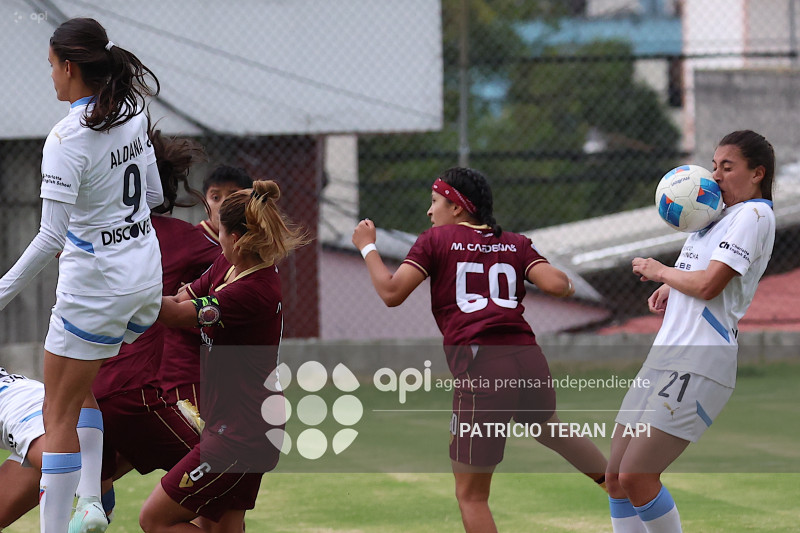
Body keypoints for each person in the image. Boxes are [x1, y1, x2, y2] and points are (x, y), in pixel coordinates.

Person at [351, 167, 608, 533]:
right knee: (546, 425)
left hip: (484, 365)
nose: (430, 211)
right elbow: (555, 283)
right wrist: (564, 285)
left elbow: (392, 293)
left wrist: (368, 247)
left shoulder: (434, 241)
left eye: (435, 201)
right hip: (526, 357)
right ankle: (622, 490)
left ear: (457, 207)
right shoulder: (516, 242)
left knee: (471, 495)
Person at [0, 17, 163, 532]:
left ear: (70, 67)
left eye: (51, 65)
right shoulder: (133, 110)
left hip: (95, 290)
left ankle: (58, 527)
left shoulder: (66, 136)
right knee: (80, 390)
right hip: (145, 283)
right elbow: (154, 196)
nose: (49, 76)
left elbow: (50, 237)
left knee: (57, 413)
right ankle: (91, 503)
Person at [605, 130, 776, 533]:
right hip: (667, 353)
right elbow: (698, 274)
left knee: (637, 476)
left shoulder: (754, 215)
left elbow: (709, 285)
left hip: (700, 358)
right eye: (714, 165)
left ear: (757, 173)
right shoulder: (713, 216)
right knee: (615, 478)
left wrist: (659, 271)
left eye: (727, 167)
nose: (715, 175)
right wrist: (671, 284)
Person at [139, 180, 309, 533]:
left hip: (242, 434)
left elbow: (172, 314)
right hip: (243, 425)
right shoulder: (228, 267)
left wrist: (117, 287)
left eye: (220, 234)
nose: (216, 239)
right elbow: (180, 299)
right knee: (222, 527)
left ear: (237, 239)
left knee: (155, 519)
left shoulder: (252, 291)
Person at [91, 127, 211, 522]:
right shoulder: (179, 237)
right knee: (224, 467)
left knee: (93, 493)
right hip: (133, 393)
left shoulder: (95, 236)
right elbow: (240, 271)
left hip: (82, 393)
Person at [158, 164, 253, 412]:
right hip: (185, 365)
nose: (223, 204)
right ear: (205, 201)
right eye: (215, 196)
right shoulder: (190, 241)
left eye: (233, 195)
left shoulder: (253, 253)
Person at [0, 367, 105, 531]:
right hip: (39, 399)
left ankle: (90, 500)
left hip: (20, 409)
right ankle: (94, 499)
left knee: (61, 463)